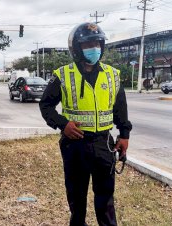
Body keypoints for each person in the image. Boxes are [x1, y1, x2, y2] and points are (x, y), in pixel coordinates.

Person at [39, 22, 132, 226]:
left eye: (97, 43)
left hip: (103, 143)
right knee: (76, 197)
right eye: (88, 43)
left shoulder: (112, 75)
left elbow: (120, 110)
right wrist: (63, 124)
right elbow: (45, 105)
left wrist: (124, 135)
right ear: (76, 48)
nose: (94, 48)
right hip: (75, 145)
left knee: (105, 198)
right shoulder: (62, 75)